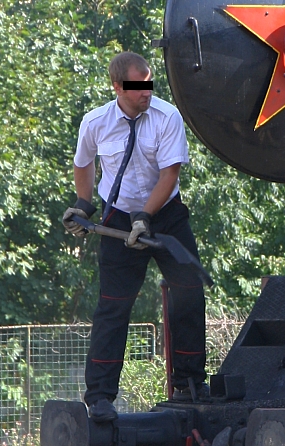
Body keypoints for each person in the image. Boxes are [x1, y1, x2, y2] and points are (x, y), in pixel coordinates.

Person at [62, 52, 207, 422]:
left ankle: (189, 383)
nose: (146, 91)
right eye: (137, 85)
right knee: (113, 307)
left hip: (166, 216)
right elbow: (84, 162)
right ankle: (99, 397)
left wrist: (146, 217)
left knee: (188, 291)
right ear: (117, 87)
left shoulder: (167, 116)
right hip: (118, 217)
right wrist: (83, 202)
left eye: (149, 82)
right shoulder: (95, 122)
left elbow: (169, 175)